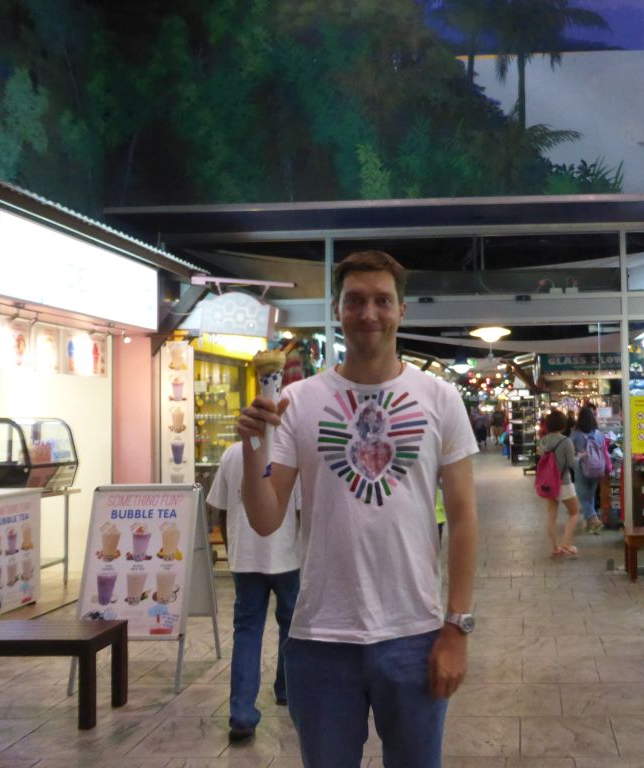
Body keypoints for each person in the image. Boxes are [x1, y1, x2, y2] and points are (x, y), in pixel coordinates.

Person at [238, 250, 479, 768]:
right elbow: (264, 518)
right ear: (337, 309)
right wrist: (256, 444)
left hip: (414, 635)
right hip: (320, 639)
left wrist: (456, 627)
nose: (369, 313)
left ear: (401, 310)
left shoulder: (439, 399)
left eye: (382, 300)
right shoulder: (299, 402)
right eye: (355, 300)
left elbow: (463, 519)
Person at [207, 440, 302, 743]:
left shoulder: (233, 453)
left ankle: (242, 713)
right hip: (287, 556)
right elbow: (301, 512)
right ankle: (286, 691)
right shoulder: (291, 452)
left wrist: (232, 547)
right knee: (291, 627)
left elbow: (220, 509)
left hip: (245, 558)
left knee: (247, 631)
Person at [538, 409, 581, 557]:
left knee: (551, 515)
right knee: (575, 512)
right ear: (563, 425)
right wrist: (580, 457)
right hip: (564, 482)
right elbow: (571, 463)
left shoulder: (543, 441)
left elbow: (542, 457)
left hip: (549, 483)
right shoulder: (566, 441)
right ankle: (566, 543)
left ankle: (554, 547)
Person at [570, 404, 604, 534]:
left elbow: (570, 447)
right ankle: (589, 525)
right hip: (597, 467)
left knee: (582, 496)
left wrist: (578, 455)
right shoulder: (598, 433)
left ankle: (594, 519)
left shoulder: (576, 434)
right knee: (590, 496)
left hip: (582, 467)